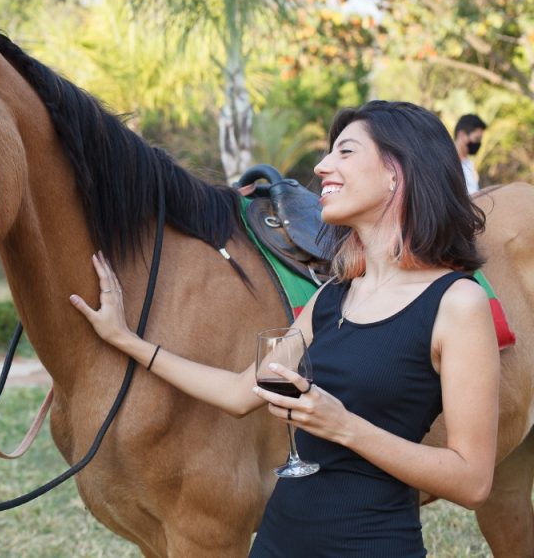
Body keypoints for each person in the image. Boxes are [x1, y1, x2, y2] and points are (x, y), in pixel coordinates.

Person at [70, 100, 498, 556]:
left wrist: (344, 426)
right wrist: (127, 340)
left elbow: (471, 481)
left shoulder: (457, 303)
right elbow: (239, 393)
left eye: (345, 152)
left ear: (398, 173)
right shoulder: (335, 293)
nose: (322, 166)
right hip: (278, 543)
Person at [454, 113, 487, 194]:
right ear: (461, 135)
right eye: (476, 139)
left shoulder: (469, 164)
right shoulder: (446, 164)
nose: (478, 143)